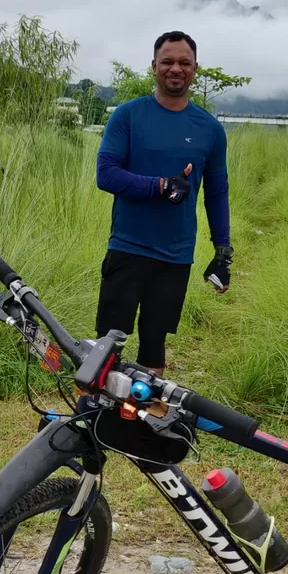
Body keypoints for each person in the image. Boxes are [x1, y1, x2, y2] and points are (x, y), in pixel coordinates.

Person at [94, 30, 232, 374]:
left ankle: (144, 426)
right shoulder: (128, 115)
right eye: (168, 61)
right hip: (127, 248)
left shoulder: (210, 129)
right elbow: (106, 174)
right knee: (108, 345)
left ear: (195, 68)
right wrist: (160, 186)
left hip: (175, 254)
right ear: (154, 65)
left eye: (184, 62)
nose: (176, 68)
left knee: (154, 345)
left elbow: (216, 192)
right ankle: (95, 420)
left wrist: (222, 251)